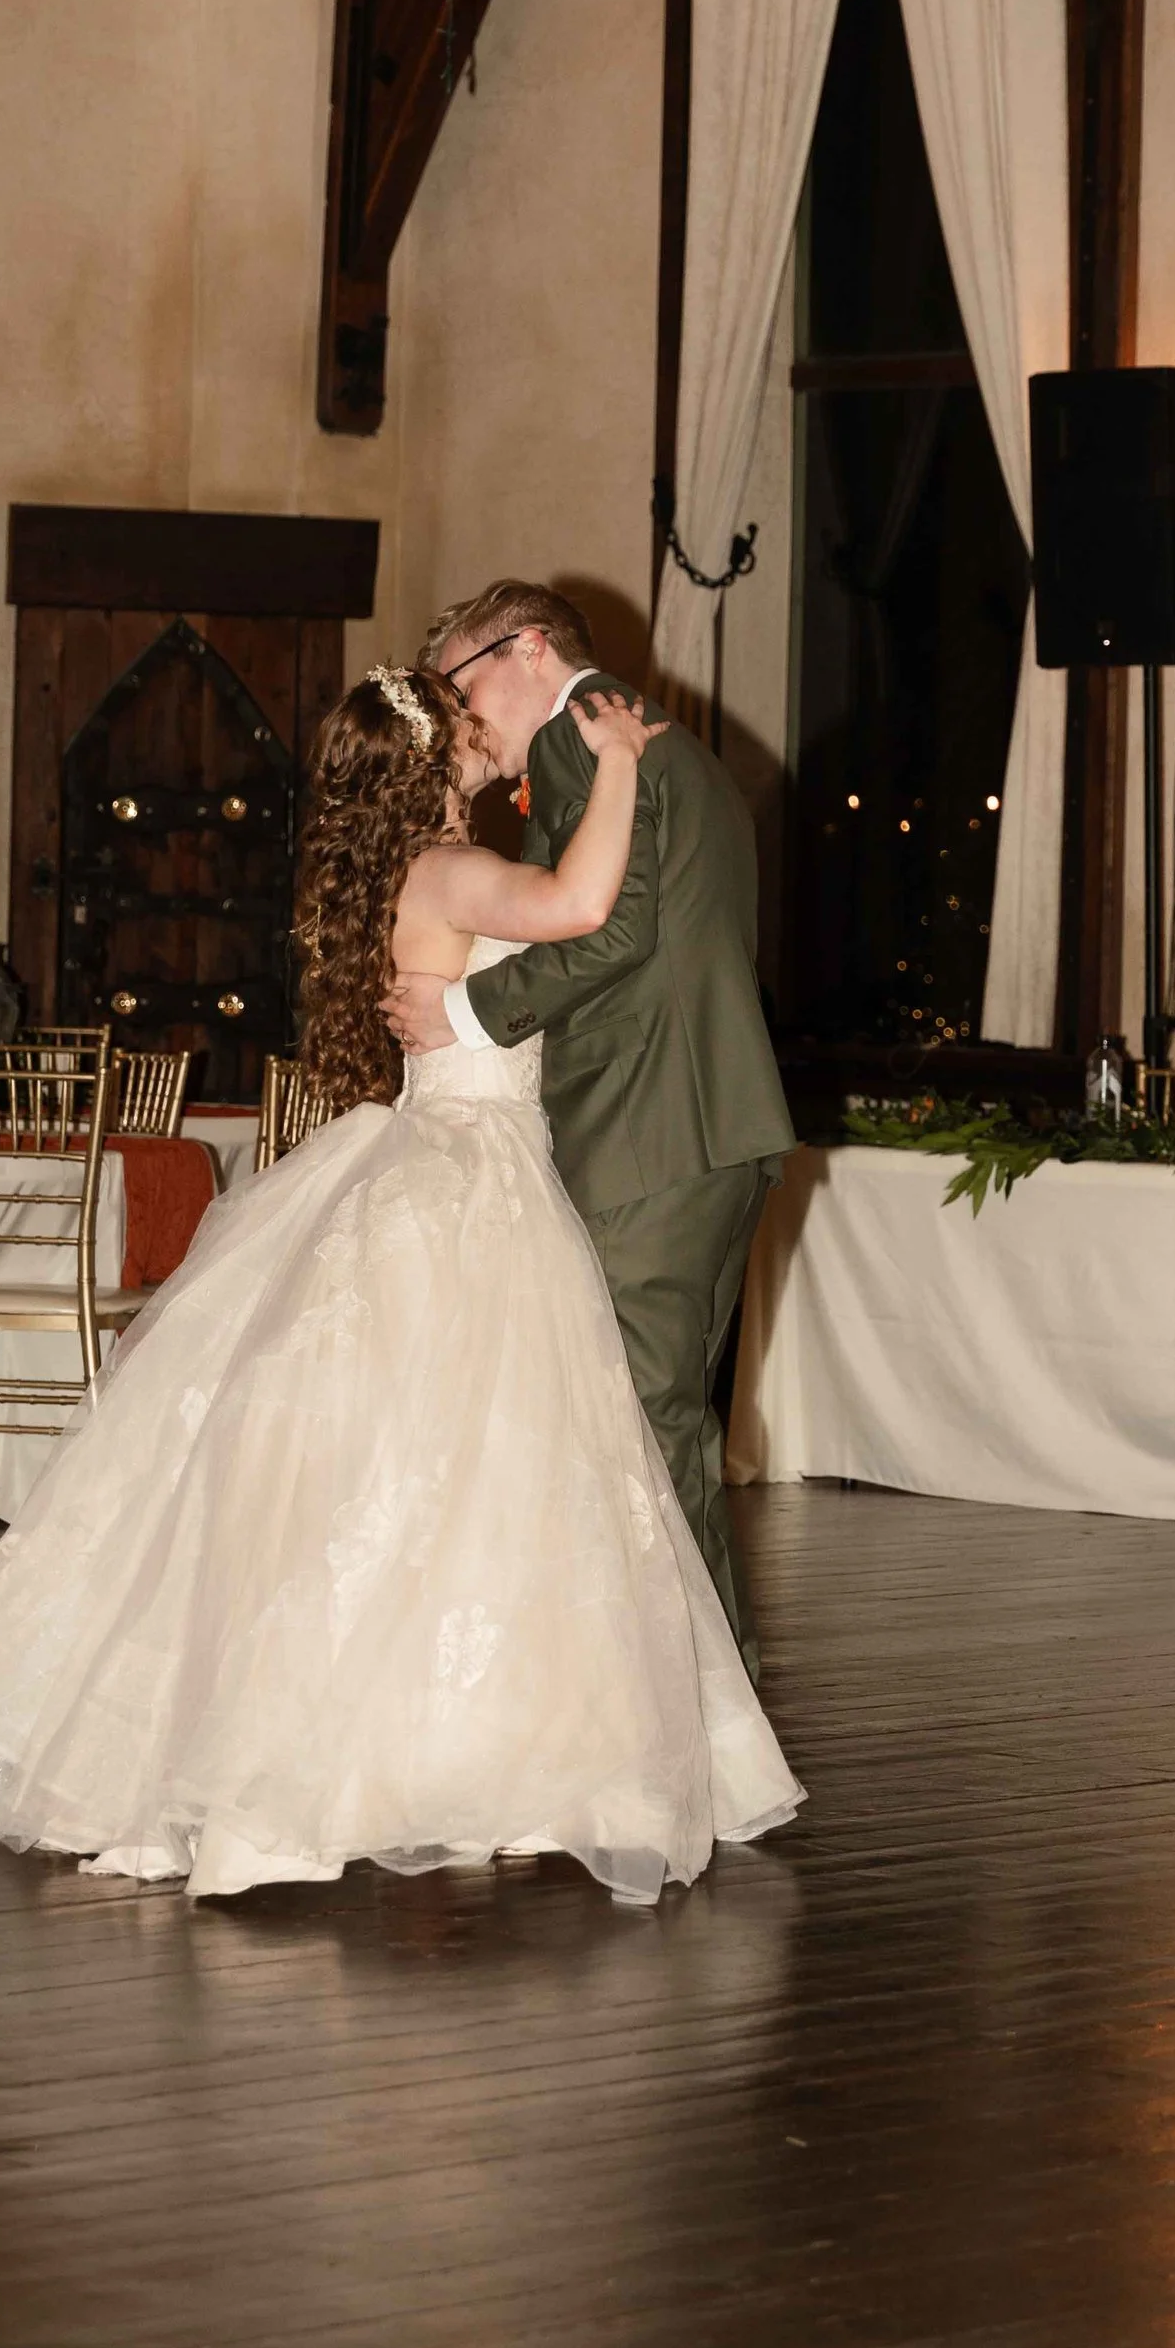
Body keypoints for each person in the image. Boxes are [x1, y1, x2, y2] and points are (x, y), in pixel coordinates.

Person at [0, 662, 800, 1905]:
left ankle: (453, 1753)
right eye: (465, 728)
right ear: (433, 766)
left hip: (450, 1160)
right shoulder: (453, 871)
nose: (486, 738)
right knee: (477, 1470)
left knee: (443, 1478)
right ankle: (440, 1761)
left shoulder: (405, 873)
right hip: (474, 1180)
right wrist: (626, 761)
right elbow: (585, 905)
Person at [385, 584, 791, 1681]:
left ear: (526, 650)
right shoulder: (651, 739)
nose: (458, 717)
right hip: (693, 1118)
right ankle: (700, 1689)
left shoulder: (584, 738)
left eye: (458, 686)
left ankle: (704, 1698)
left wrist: (463, 1012)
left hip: (650, 1124)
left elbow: (605, 931)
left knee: (643, 1422)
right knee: (657, 1421)